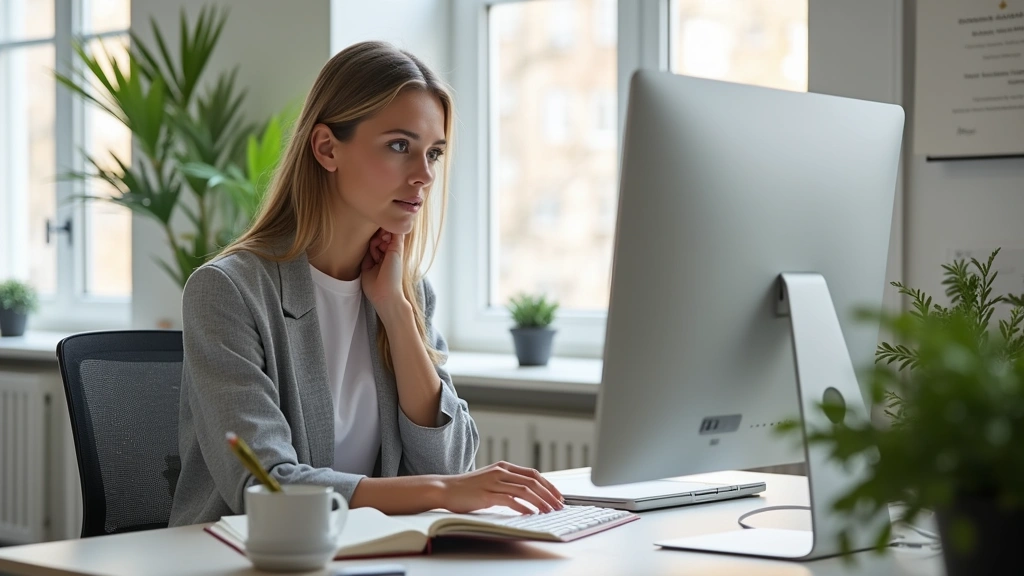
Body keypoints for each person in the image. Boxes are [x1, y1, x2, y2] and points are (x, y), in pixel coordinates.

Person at [168, 41, 563, 527]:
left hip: (364, 554)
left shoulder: (406, 291)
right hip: (248, 558)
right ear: (327, 148)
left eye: (434, 153)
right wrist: (444, 491)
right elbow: (265, 485)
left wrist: (396, 313)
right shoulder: (228, 291)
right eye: (400, 146)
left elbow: (450, 461)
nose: (424, 175)